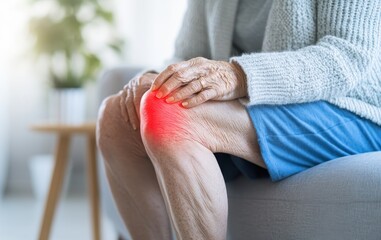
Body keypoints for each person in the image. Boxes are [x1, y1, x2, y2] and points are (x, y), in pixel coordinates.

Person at [97, 0, 381, 239]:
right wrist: (154, 77)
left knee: (170, 117)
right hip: (254, 106)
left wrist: (238, 75)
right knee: (117, 119)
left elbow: (347, 56)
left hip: (349, 107)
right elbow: (185, 55)